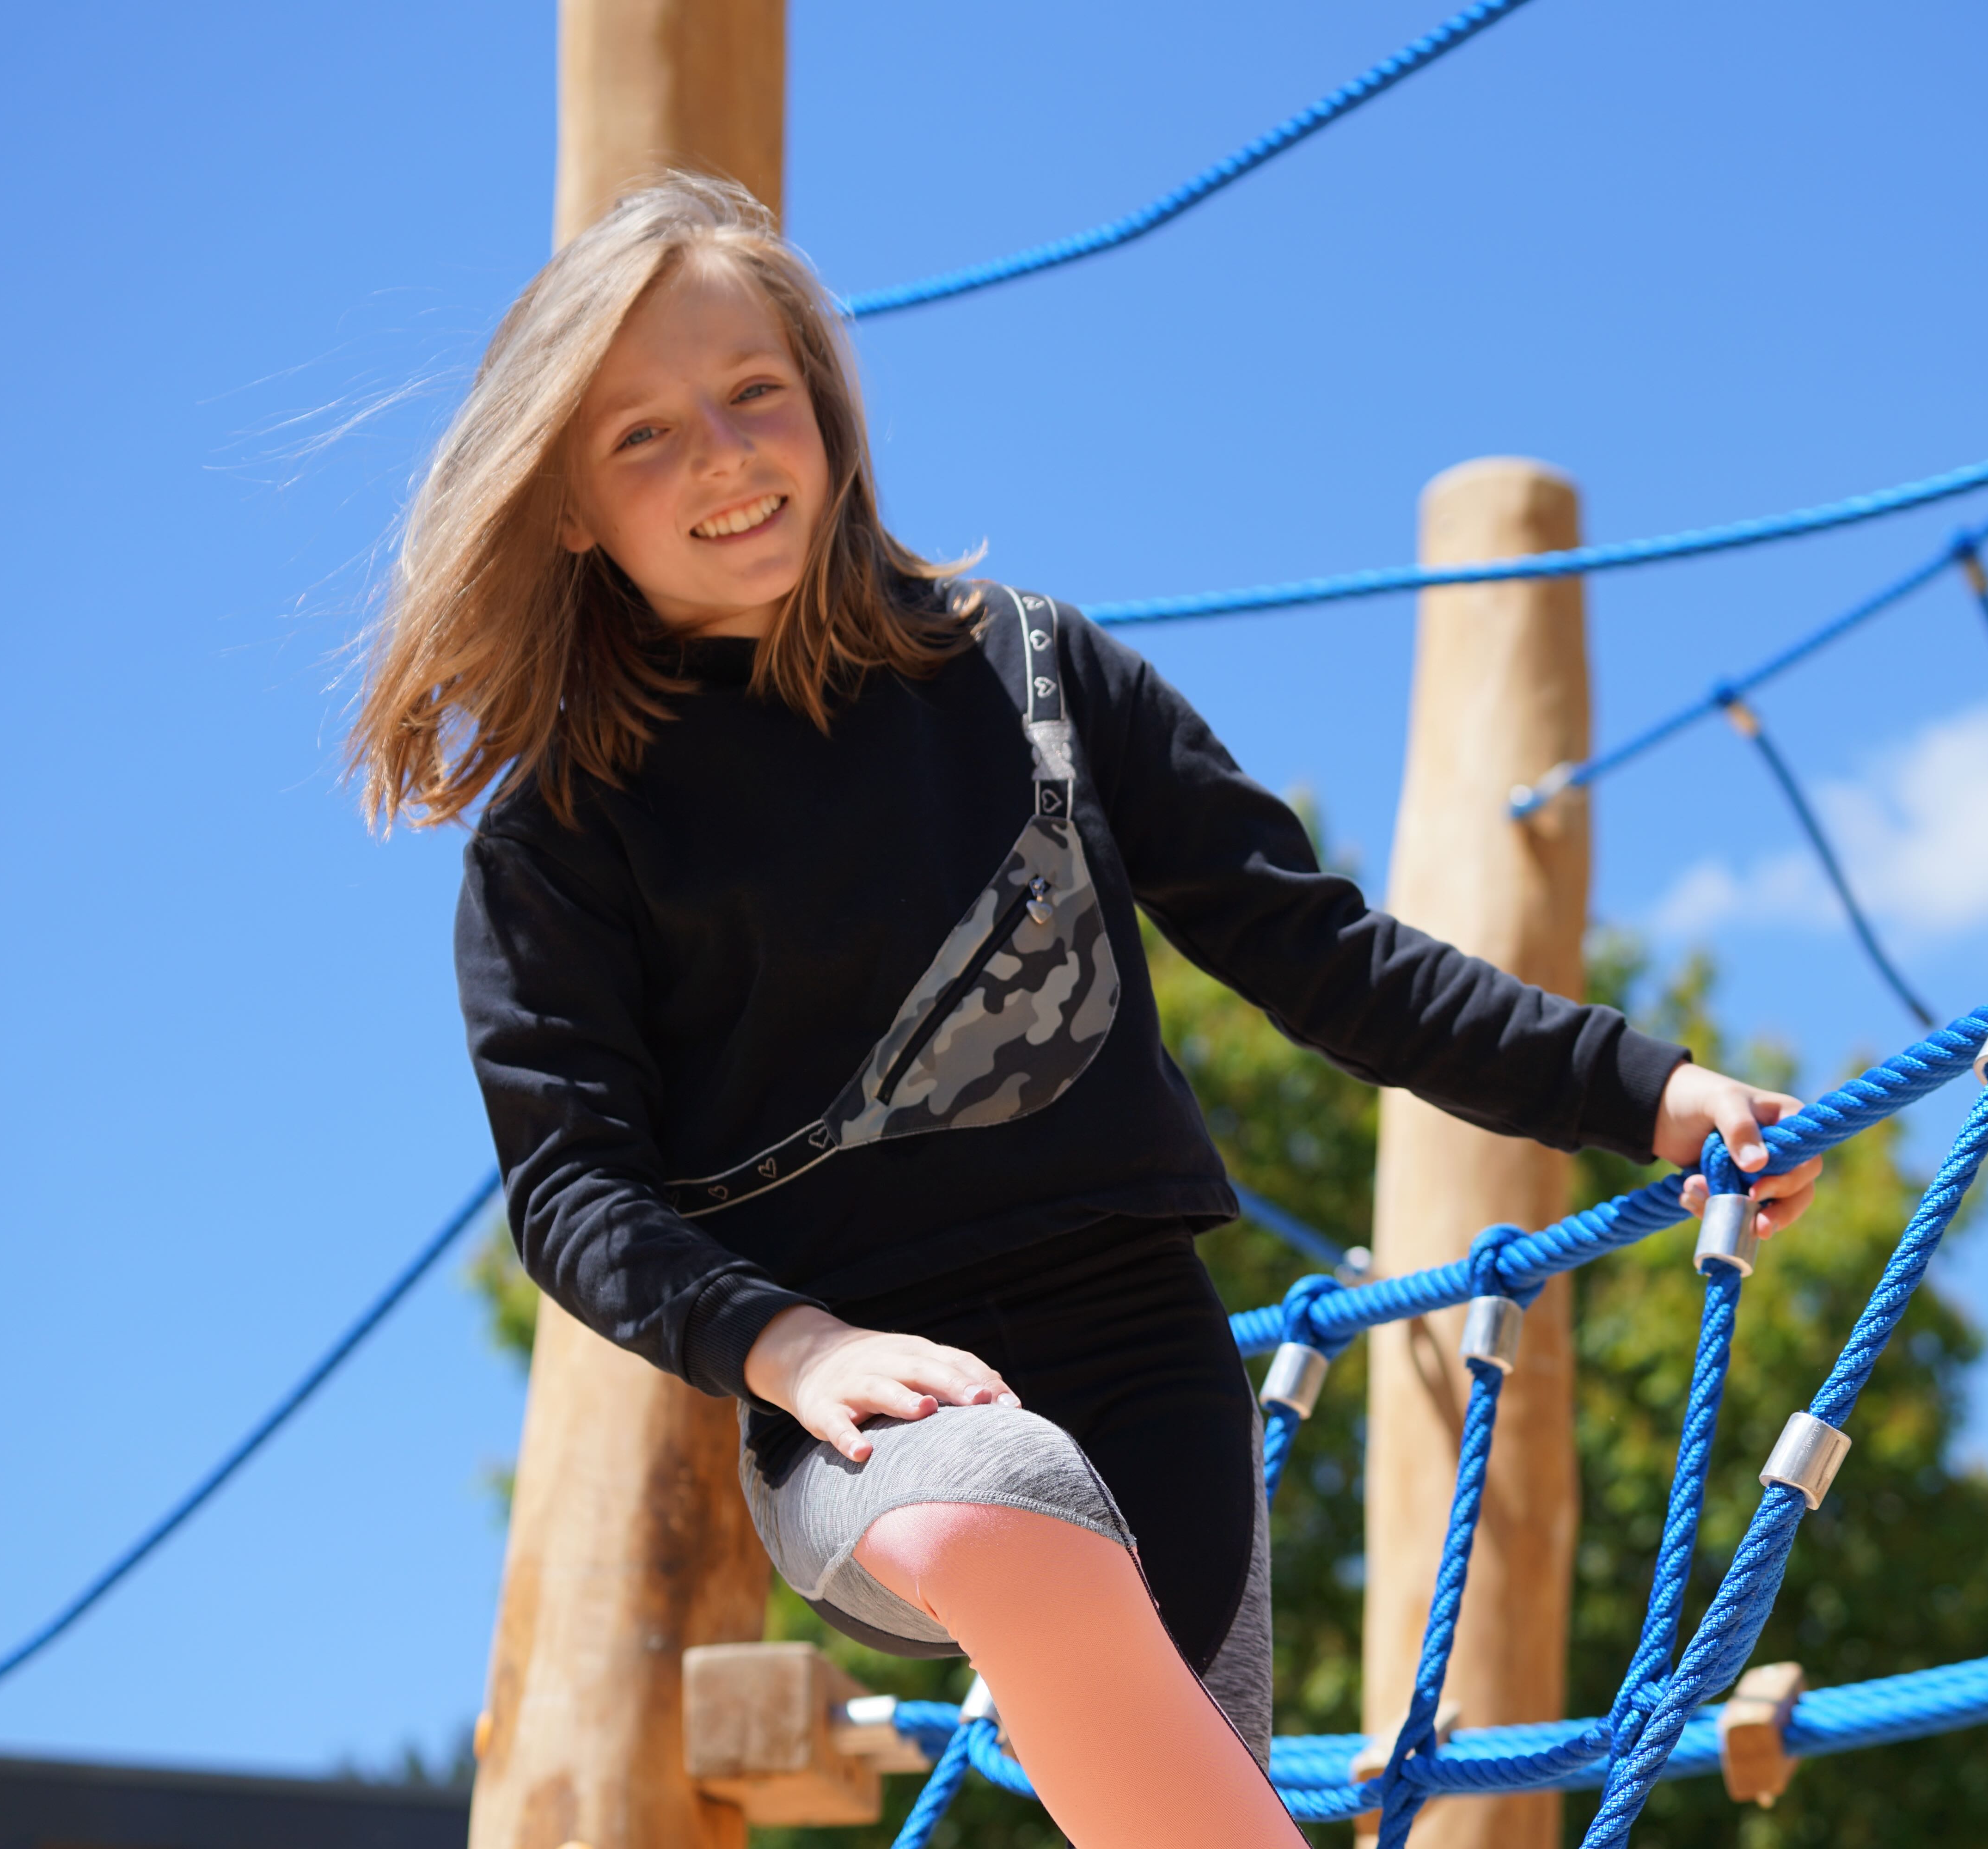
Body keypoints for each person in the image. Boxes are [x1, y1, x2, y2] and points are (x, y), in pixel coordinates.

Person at [352, 174, 1819, 1849]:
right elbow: (572, 1189)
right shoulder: (568, 833)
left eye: (754, 391)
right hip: (867, 1401)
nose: (724, 456)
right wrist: (795, 1346)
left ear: (824, 406)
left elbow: (1321, 953)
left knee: (1183, 1808)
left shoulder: (1035, 676)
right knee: (1010, 1510)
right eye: (642, 437)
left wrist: (1647, 1091)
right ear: (561, 508)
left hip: (1148, 1362)